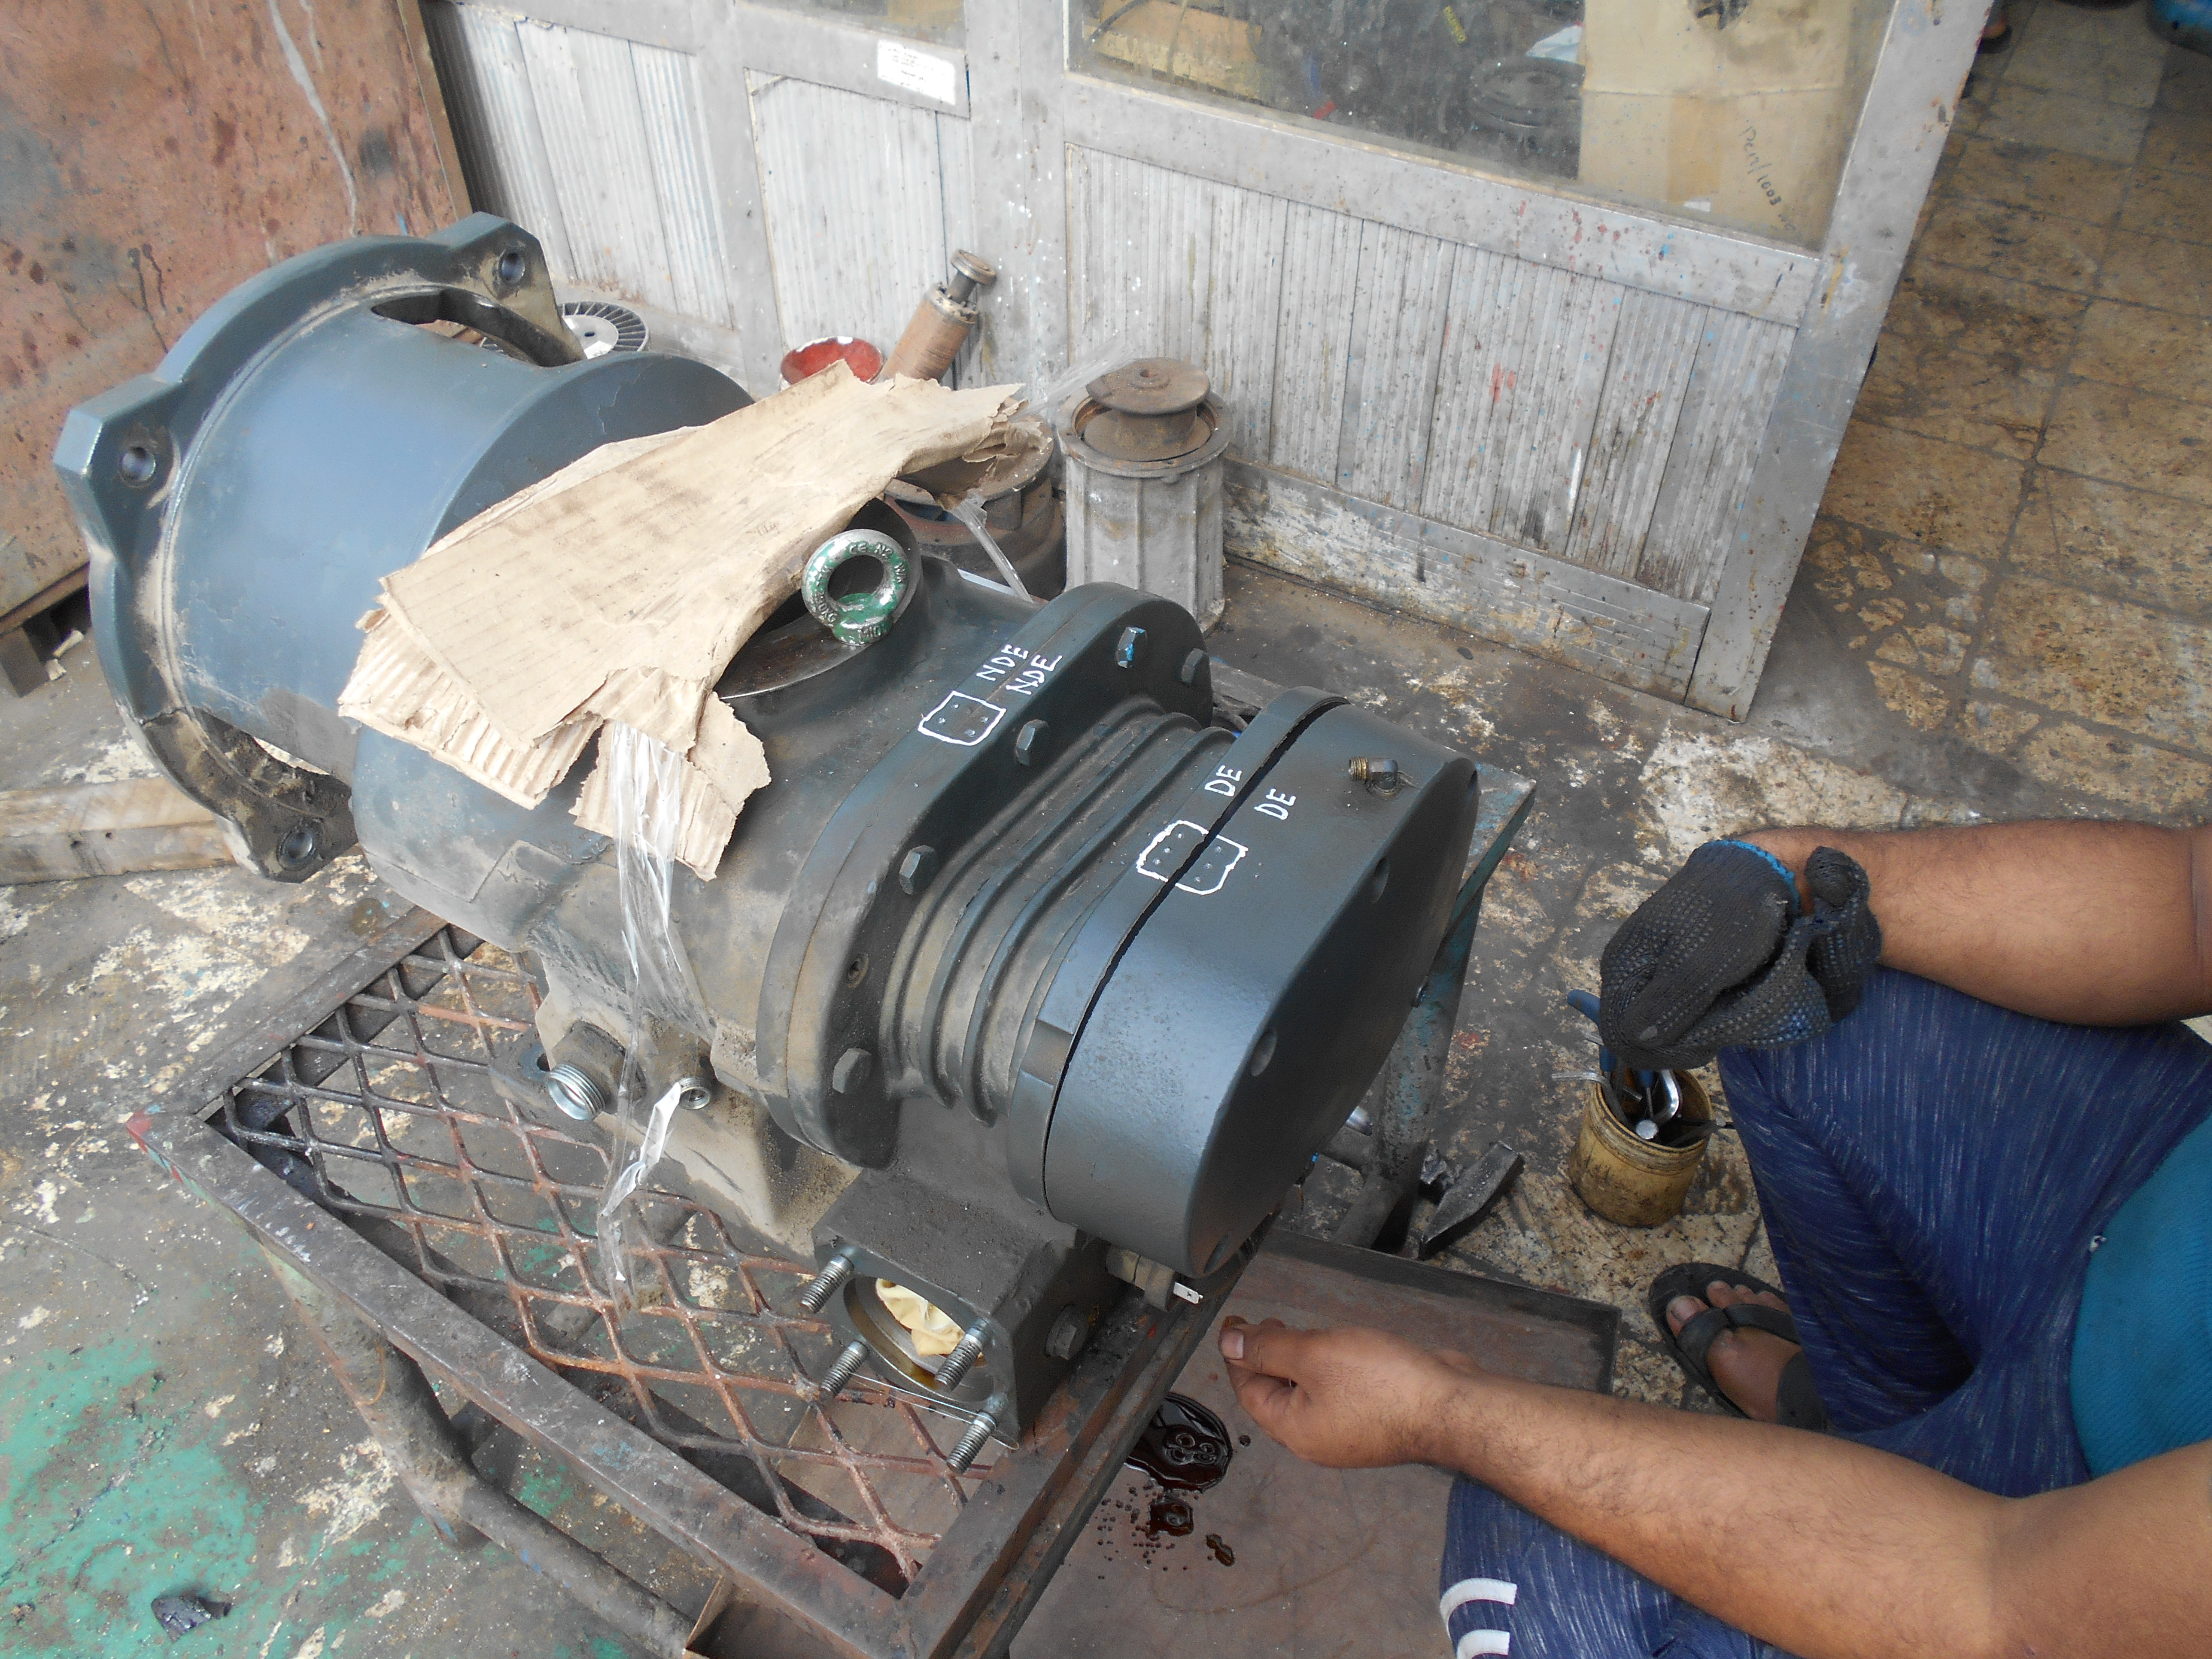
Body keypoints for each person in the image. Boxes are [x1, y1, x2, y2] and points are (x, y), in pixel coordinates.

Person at [1220, 821, 2212, 1659]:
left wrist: (1444, 1412)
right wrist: (1793, 883)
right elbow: (2190, 898)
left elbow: (1988, 1598)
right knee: (1794, 990)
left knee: (1524, 1556)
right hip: (2152, 1190)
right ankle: (1876, 1429)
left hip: (2061, 1566)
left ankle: (1913, 1474)